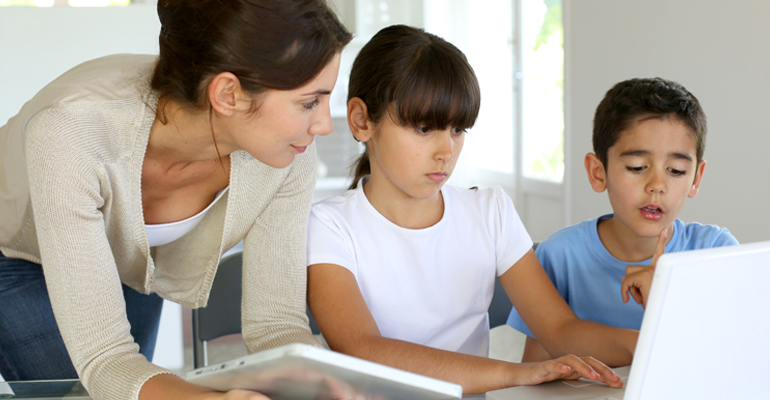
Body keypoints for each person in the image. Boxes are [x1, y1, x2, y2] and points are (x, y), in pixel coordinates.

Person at [0, 1, 351, 399]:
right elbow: (106, 358)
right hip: (12, 252)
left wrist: (325, 381)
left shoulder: (288, 158)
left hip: (129, 257)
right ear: (228, 94)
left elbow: (275, 324)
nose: (323, 125)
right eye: (309, 102)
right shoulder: (71, 133)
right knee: (80, 393)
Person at [306, 25, 636, 395]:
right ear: (361, 120)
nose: (446, 151)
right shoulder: (329, 226)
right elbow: (364, 350)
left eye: (458, 129)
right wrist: (514, 373)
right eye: (423, 127)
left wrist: (645, 343)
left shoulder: (490, 212)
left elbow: (560, 330)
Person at [506, 77, 739, 362]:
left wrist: (664, 303)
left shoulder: (717, 251)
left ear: (696, 178)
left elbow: (734, 359)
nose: (657, 185)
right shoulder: (559, 257)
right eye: (637, 167)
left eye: (676, 170)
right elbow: (539, 373)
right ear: (597, 172)